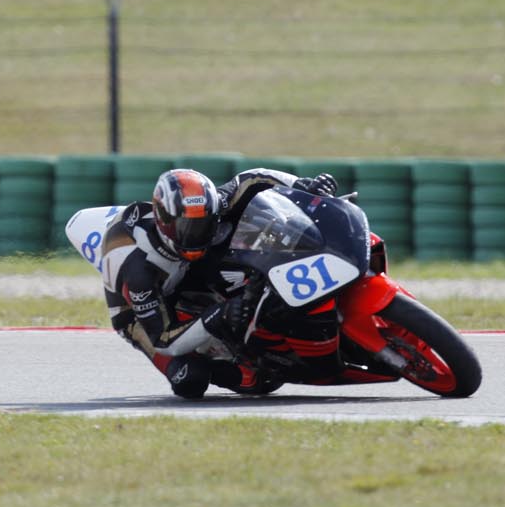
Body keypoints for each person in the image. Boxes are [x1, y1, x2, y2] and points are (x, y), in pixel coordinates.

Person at [97, 166, 338, 398]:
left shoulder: (208, 206)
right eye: (187, 228)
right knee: (192, 380)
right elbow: (164, 340)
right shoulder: (141, 271)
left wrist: (302, 184)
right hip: (142, 314)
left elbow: (254, 178)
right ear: (165, 223)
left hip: (185, 271)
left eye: (203, 225)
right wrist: (219, 314)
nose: (196, 235)